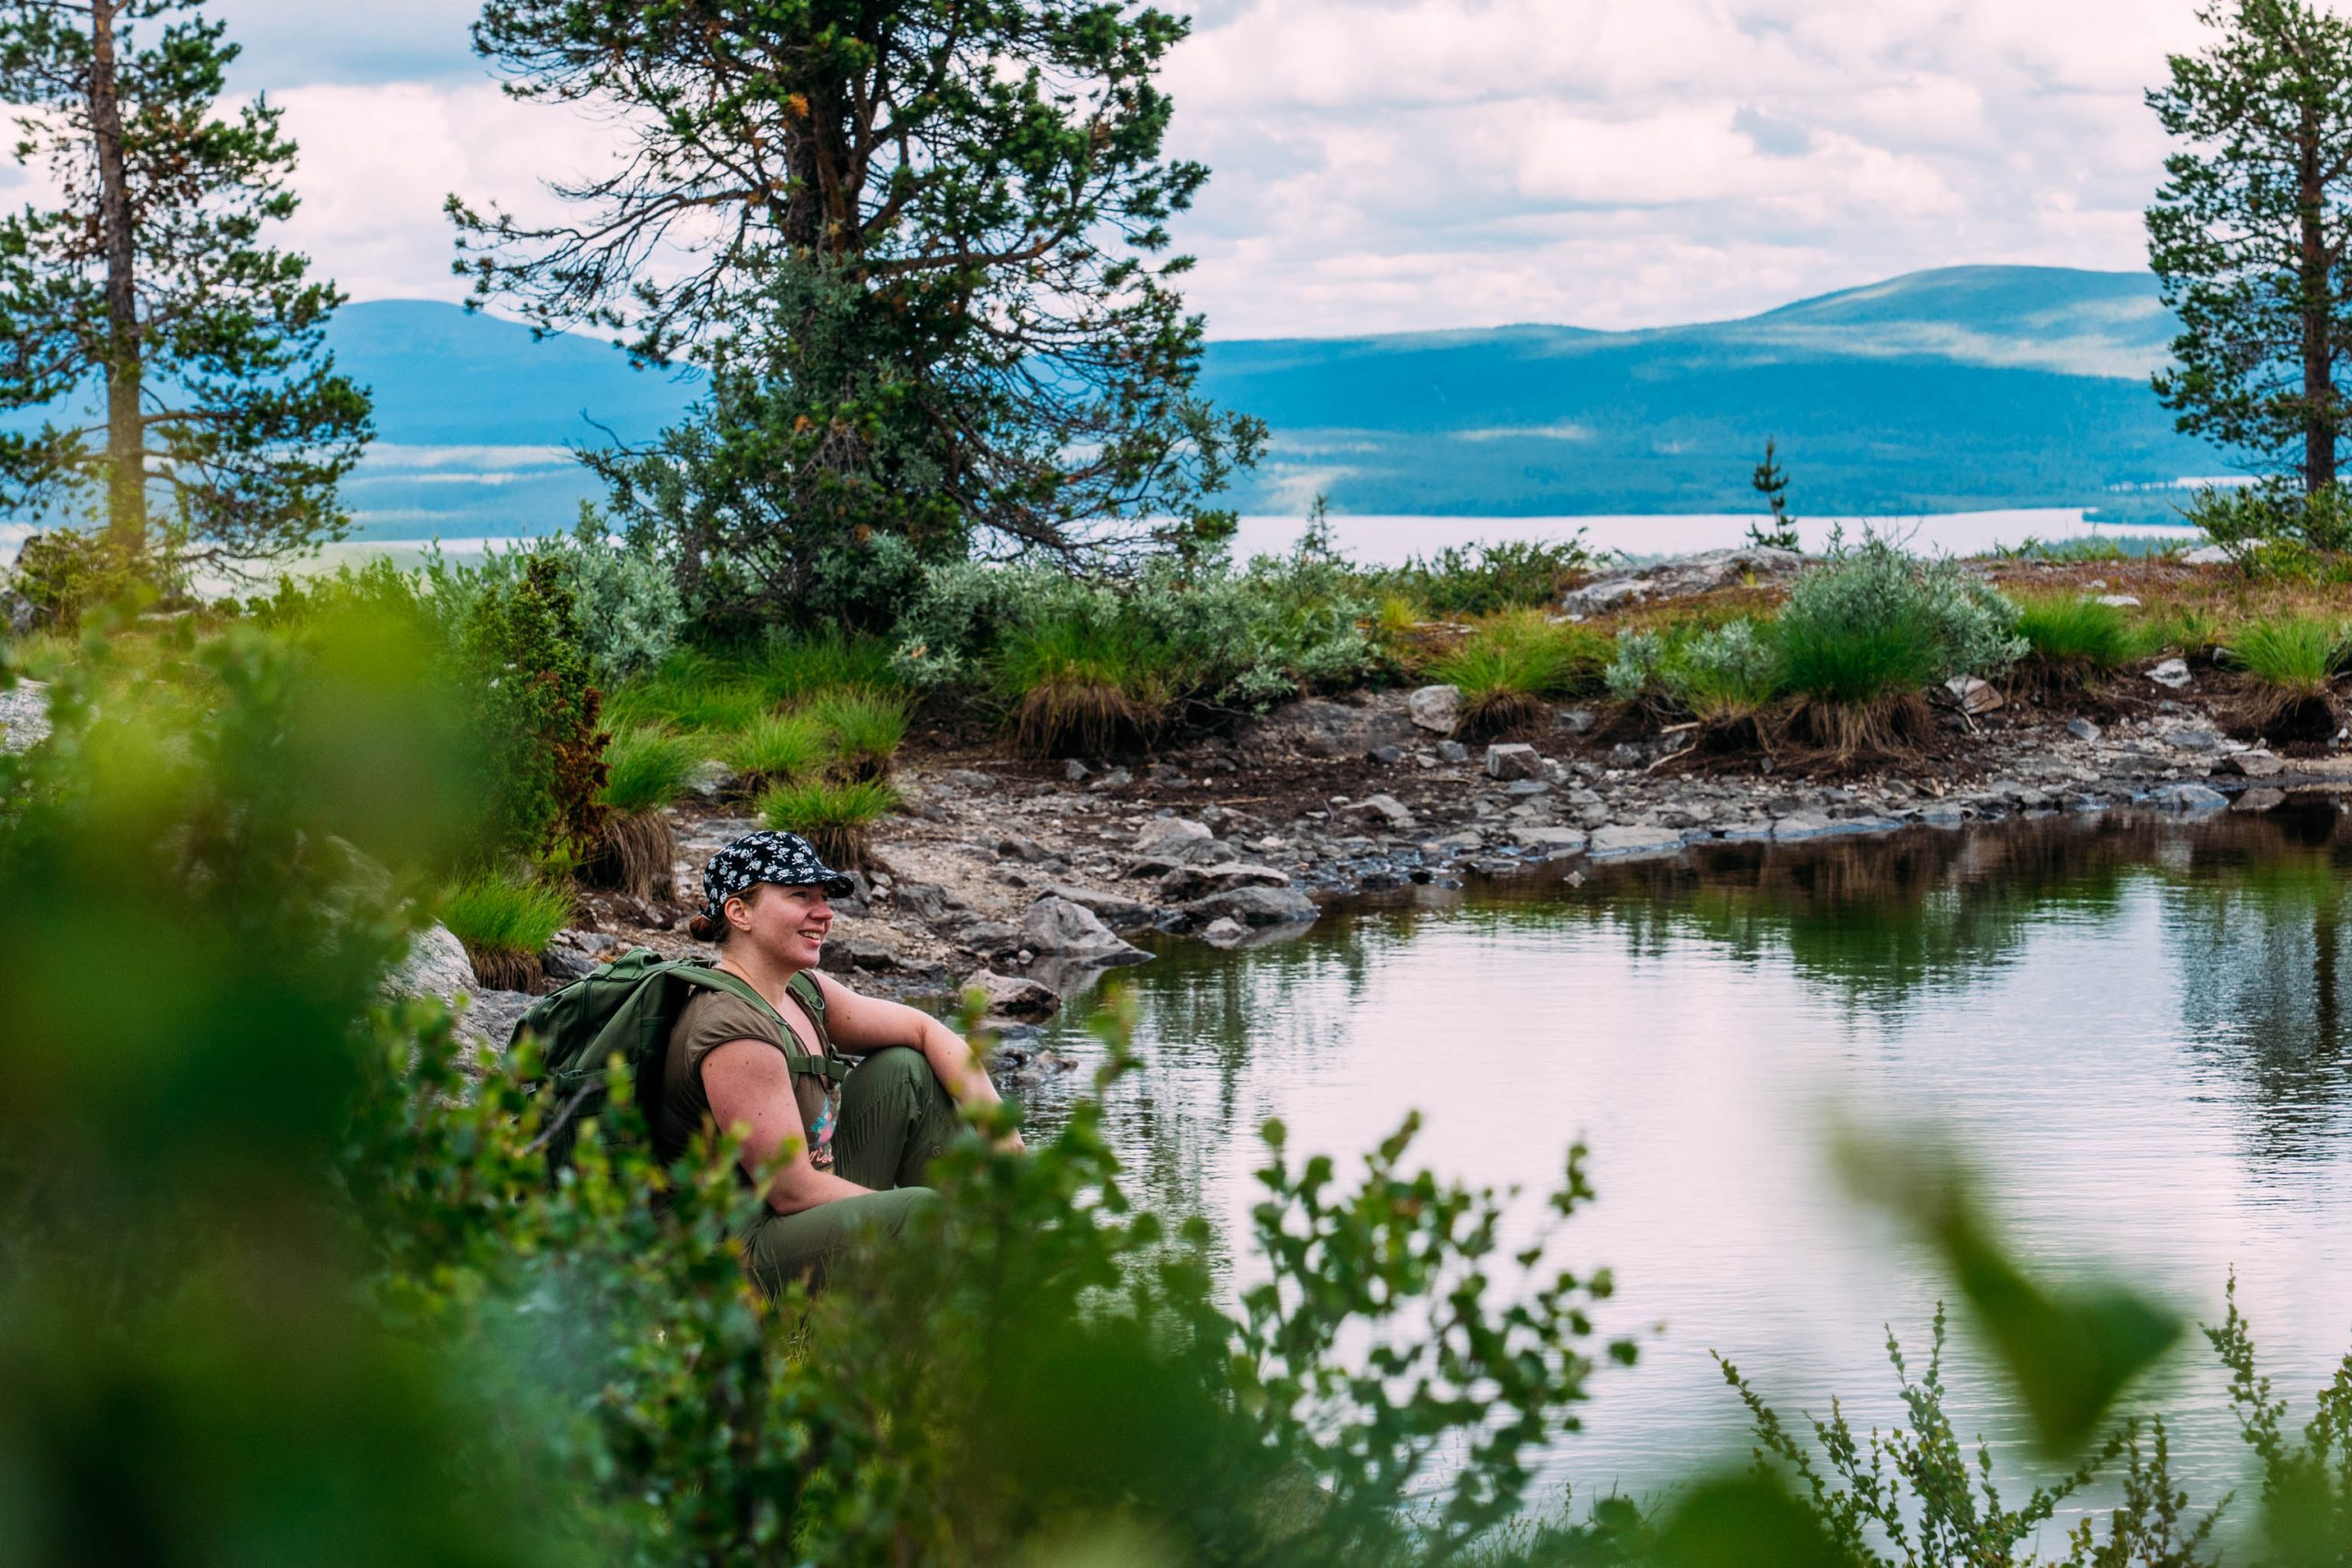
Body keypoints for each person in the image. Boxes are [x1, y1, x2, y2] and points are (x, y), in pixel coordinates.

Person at [659, 829, 1013, 1292]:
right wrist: (916, 1218)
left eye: (824, 897)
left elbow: (927, 1030)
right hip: (737, 1255)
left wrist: (1004, 1138)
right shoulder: (733, 1030)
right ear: (739, 912)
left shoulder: (802, 990)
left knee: (903, 1069)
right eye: (800, 895)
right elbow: (791, 1192)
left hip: (798, 1207)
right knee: (919, 1214)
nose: (824, 913)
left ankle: (990, 1266)